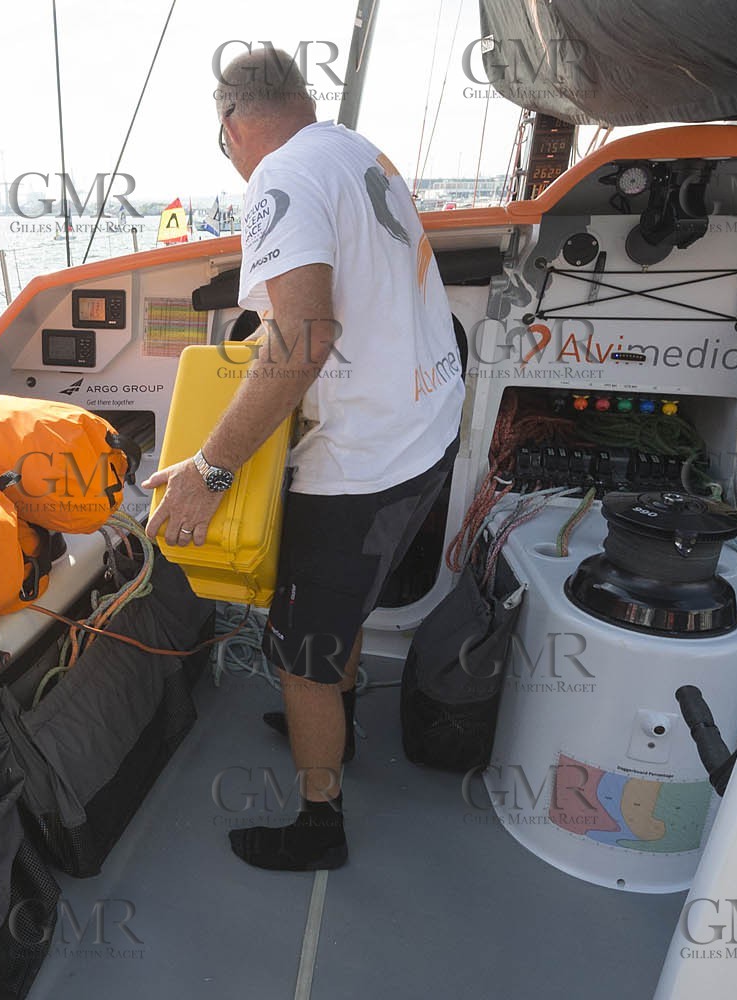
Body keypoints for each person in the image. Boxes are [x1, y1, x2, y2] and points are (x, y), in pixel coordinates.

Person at [142, 47, 464, 871]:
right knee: (339, 607)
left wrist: (210, 470)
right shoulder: (355, 150)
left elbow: (305, 335)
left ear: (231, 124)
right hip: (425, 431)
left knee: (299, 650)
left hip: (362, 459)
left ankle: (321, 823)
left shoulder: (278, 177)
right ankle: (337, 725)